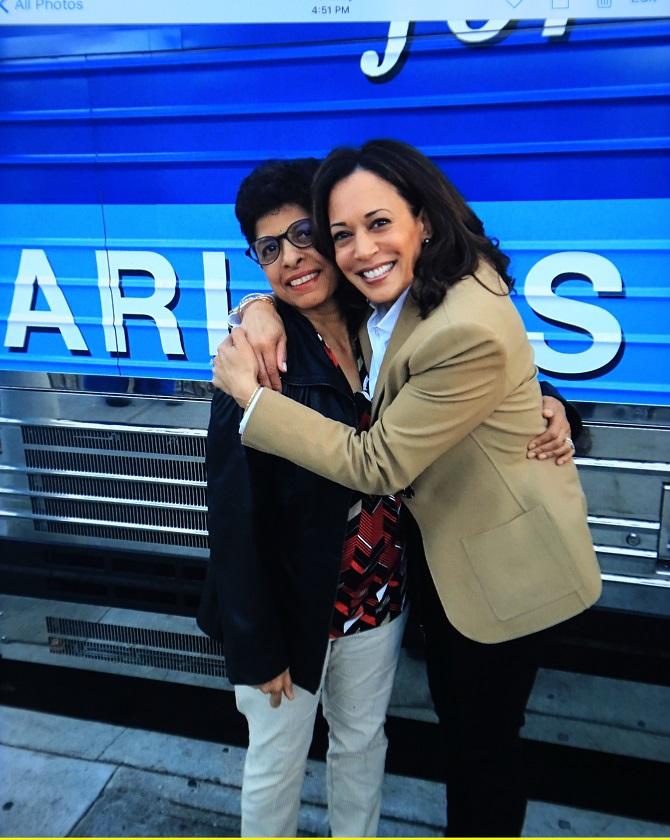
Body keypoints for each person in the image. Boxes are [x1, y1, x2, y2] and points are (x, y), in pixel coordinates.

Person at [213, 139, 602, 837]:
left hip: (405, 593)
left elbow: (446, 385)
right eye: (270, 250)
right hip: (300, 607)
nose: (297, 257)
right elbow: (234, 520)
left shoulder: (391, 314)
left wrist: (553, 404)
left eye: (309, 236)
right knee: (280, 763)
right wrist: (255, 643)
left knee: (405, 747)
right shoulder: (262, 362)